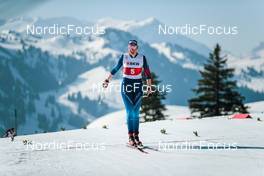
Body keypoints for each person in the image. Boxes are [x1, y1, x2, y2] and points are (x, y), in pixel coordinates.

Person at [103, 40, 152, 147]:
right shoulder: (124, 56)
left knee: (136, 112)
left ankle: (136, 137)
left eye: (134, 46)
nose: (132, 48)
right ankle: (130, 137)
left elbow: (148, 73)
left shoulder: (142, 58)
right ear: (128, 47)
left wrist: (149, 88)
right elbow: (115, 69)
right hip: (126, 86)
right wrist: (107, 80)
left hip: (138, 86)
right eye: (130, 46)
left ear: (137, 48)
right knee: (130, 111)